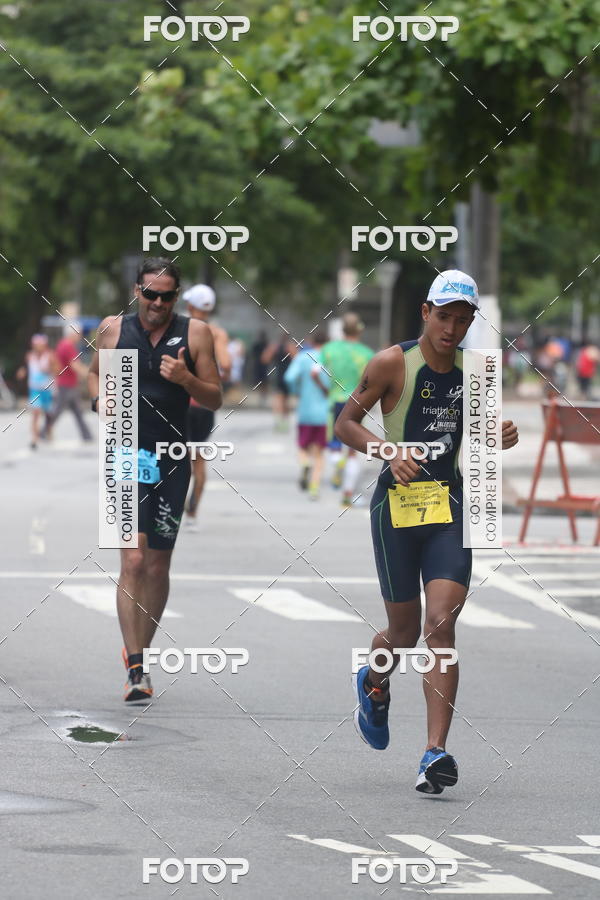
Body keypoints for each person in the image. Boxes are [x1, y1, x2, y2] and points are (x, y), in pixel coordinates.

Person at [334, 270, 519, 794]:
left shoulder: (477, 372)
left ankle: (434, 753)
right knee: (403, 634)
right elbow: (345, 423)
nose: (452, 329)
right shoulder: (393, 362)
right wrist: (388, 450)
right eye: (444, 318)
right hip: (395, 510)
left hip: (449, 508)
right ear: (425, 313)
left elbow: (482, 435)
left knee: (441, 626)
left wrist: (501, 434)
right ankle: (373, 681)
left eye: (463, 321)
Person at [88, 258, 222, 702]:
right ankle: (136, 667)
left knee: (158, 564)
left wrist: (186, 378)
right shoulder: (113, 329)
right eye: (150, 294)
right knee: (132, 561)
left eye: (166, 296)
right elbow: (93, 374)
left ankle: (143, 652)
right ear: (136, 292)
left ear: (176, 297)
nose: (158, 303)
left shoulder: (196, 334)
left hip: (171, 456)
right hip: (123, 452)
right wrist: (99, 398)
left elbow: (215, 395)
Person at [182, 283, 231, 531]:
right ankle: (192, 515)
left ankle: (172, 508)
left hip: (179, 403)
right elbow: (227, 363)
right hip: (204, 404)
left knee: (173, 457)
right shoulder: (217, 333)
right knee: (199, 461)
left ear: (190, 305)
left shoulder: (180, 328)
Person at [315, 313, 374, 506]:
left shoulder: (330, 349)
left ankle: (336, 463)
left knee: (334, 444)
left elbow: (314, 372)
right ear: (359, 330)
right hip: (357, 403)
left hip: (335, 400)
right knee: (353, 451)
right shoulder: (367, 353)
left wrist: (325, 389)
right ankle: (347, 495)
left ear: (342, 330)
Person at [283, 331, 329, 499]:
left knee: (302, 447)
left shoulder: (303, 357)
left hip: (305, 411)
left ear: (312, 341)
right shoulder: (329, 358)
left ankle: (304, 464)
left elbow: (289, 377)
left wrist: (297, 391)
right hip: (324, 413)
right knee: (319, 453)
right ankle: (314, 488)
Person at [42, 323, 93, 441]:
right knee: (58, 410)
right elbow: (75, 365)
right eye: (78, 333)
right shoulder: (68, 346)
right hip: (66, 384)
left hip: (68, 383)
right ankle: (43, 431)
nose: (80, 336)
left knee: (77, 411)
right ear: (72, 333)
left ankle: (87, 435)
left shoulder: (63, 344)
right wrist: (89, 374)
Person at [16, 334, 55, 448]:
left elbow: (57, 369)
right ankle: (34, 439)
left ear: (44, 345)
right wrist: (22, 372)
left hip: (47, 389)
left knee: (48, 413)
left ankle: (48, 430)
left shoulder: (50, 355)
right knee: (36, 412)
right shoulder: (29, 356)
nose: (38, 347)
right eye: (36, 345)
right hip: (34, 389)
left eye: (40, 345)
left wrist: (49, 369)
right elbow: (26, 367)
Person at [262, 336, 298, 431]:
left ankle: (284, 422)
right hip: (278, 376)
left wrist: (291, 351)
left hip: (288, 377)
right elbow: (265, 359)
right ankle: (279, 422)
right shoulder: (275, 347)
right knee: (279, 400)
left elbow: (297, 360)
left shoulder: (291, 347)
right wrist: (271, 350)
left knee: (286, 401)